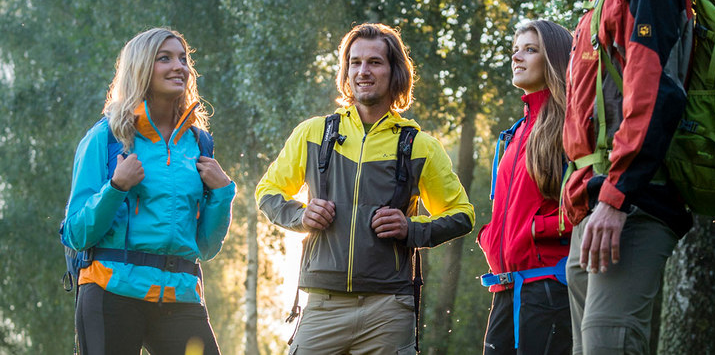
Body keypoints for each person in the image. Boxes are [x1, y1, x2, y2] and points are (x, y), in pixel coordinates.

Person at [562, 0, 715, 353]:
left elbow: (655, 91)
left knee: (609, 345)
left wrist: (616, 198)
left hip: (630, 205)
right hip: (599, 204)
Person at [255, 22, 475, 355]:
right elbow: (267, 192)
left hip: (389, 310)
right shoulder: (313, 133)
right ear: (346, 71)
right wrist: (301, 215)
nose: (363, 71)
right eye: (355, 62)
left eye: (374, 62)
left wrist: (410, 228)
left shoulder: (420, 146)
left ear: (395, 72)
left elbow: (463, 215)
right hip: (322, 307)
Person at [62, 28, 236, 355]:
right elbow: (75, 233)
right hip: (111, 291)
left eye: (184, 58)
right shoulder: (107, 137)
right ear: (141, 67)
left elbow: (205, 247)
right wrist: (116, 187)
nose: (179, 66)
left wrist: (223, 193)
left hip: (180, 295)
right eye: (165, 58)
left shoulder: (199, 143)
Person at [478, 20, 574, 355]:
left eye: (530, 49)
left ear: (555, 59)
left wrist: (535, 229)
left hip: (548, 288)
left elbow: (592, 203)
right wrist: (490, 235)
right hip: (506, 287)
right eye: (516, 49)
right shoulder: (517, 132)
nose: (517, 57)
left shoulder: (570, 125)